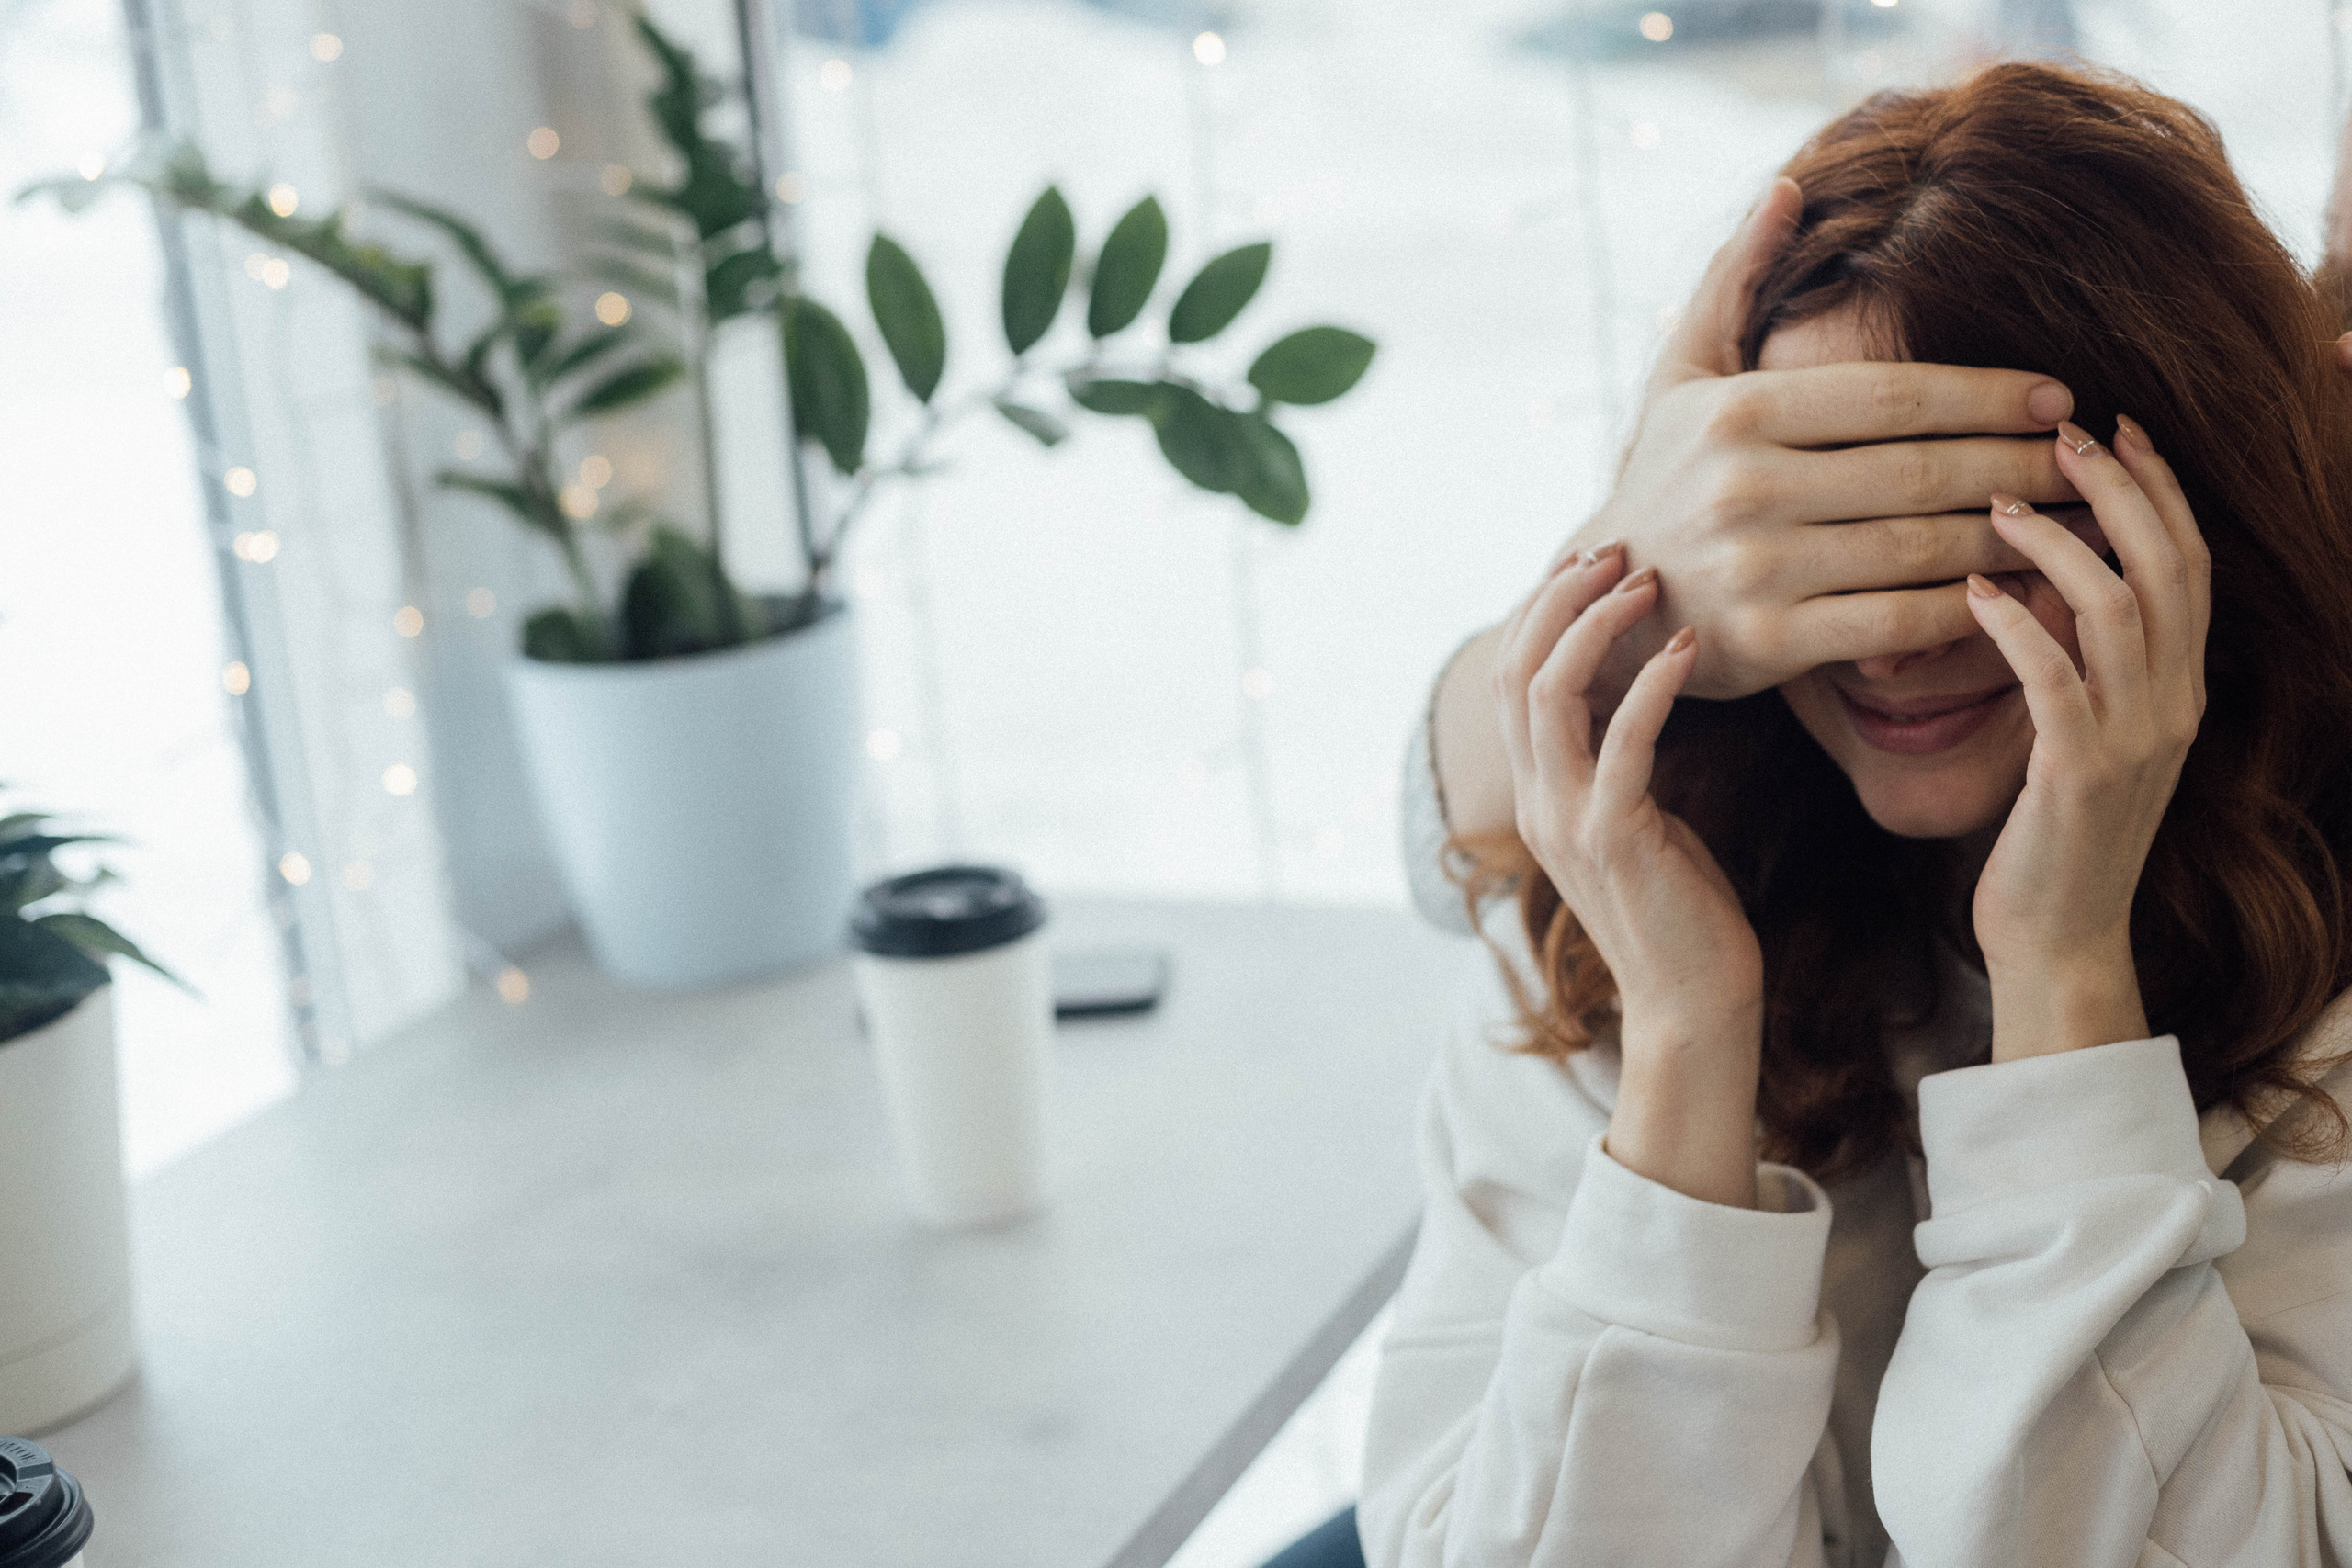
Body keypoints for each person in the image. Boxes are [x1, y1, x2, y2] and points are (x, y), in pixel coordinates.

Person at [1352, 61, 2352, 1567]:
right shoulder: (1616, 888)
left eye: (1986, 532)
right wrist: (1687, 1038)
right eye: (1831, 537)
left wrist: (2063, 972)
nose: (1891, 642)